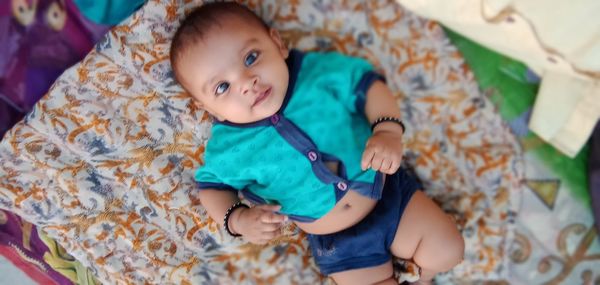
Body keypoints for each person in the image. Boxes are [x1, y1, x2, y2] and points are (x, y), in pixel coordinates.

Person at [169, 2, 464, 284]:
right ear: (210, 108)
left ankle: (424, 277)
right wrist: (238, 219)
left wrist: (387, 131)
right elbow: (210, 187)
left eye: (251, 58)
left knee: (447, 250)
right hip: (340, 246)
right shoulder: (228, 147)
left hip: (389, 195)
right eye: (222, 87)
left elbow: (367, 85)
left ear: (278, 43)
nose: (247, 83)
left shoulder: (316, 74)